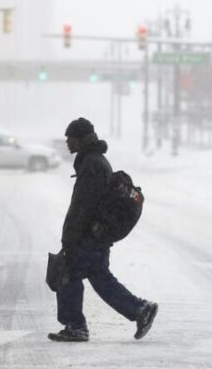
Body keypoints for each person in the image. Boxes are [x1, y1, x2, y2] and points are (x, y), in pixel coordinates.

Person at [49, 117, 158, 342]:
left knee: (68, 274)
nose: (67, 142)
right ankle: (139, 310)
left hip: (90, 234)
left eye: (70, 137)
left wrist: (69, 238)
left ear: (80, 139)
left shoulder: (92, 164)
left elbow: (82, 205)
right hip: (96, 233)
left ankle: (76, 326)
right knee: (100, 277)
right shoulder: (94, 160)